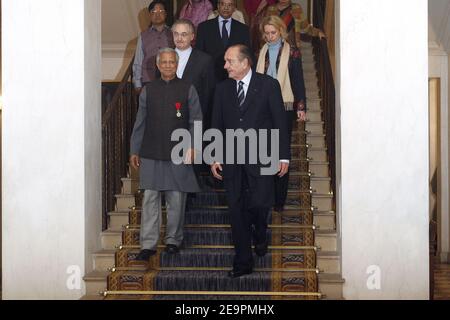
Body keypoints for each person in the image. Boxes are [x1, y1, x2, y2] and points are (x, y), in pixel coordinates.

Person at [210, 45, 290, 277]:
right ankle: (243, 262)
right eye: (225, 61)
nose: (225, 66)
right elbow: (216, 124)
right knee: (236, 211)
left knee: (259, 205)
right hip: (232, 161)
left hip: (262, 158)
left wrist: (283, 155)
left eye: (229, 61)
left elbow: (279, 123)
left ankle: (261, 233)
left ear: (245, 63)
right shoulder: (222, 89)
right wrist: (214, 155)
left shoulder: (268, 86)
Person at [130, 48, 203, 261]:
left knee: (176, 199)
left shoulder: (188, 89)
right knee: (150, 199)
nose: (168, 65)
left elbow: (196, 121)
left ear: (177, 64)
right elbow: (140, 122)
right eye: (165, 62)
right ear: (158, 65)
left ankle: (173, 240)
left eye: (172, 62)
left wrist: (193, 146)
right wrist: (134, 149)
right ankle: (148, 244)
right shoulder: (148, 90)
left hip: (178, 152)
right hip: (151, 152)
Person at [257, 15, 306, 212]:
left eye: (273, 32)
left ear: (281, 31)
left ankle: (279, 200)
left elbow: (298, 80)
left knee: (281, 152)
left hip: (285, 107)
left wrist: (301, 107)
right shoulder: (261, 52)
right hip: (263, 107)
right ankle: (266, 194)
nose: (270, 37)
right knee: (265, 151)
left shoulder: (292, 52)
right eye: (267, 33)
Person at [172, 19, 215, 125]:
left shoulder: (205, 60)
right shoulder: (163, 57)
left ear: (192, 36)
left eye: (184, 34)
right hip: (168, 119)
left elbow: (208, 94)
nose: (179, 38)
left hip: (194, 119)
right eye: (176, 34)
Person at [196, 0, 252, 82]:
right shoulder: (204, 27)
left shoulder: (243, 29)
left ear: (234, 8)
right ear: (218, 6)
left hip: (235, 77)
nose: (226, 8)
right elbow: (199, 53)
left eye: (230, 5)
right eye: (223, 4)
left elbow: (247, 54)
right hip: (210, 76)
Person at [133, 1, 174, 94]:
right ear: (149, 15)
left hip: (169, 80)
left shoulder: (172, 34)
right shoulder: (143, 36)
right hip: (148, 80)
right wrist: (138, 84)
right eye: (154, 12)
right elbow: (138, 61)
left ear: (166, 14)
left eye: (160, 11)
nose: (157, 14)